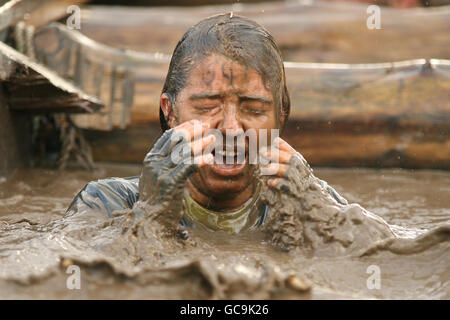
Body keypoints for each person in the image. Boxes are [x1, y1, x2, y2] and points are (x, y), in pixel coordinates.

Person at [67, 13, 347, 233]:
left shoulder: (316, 201)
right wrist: (153, 209)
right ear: (170, 111)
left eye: (253, 108)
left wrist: (316, 212)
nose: (231, 129)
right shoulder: (106, 202)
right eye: (207, 107)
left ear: (282, 113)